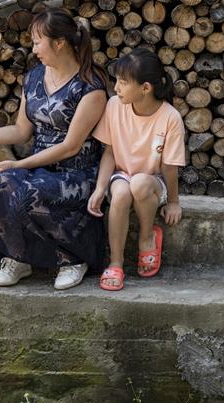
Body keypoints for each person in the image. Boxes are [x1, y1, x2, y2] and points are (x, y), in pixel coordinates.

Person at [0, 7, 108, 291]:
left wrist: (19, 165)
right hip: (39, 165)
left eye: (37, 41)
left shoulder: (90, 87)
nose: (33, 49)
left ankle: (70, 258)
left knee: (29, 188)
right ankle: (18, 256)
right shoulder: (32, 78)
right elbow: (21, 131)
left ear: (60, 43)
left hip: (76, 172)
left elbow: (71, 146)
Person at [87, 47, 185, 291]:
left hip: (153, 182)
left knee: (140, 183)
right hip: (122, 175)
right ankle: (116, 262)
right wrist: (101, 188)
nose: (116, 88)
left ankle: (146, 237)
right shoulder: (114, 106)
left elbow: (169, 167)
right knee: (120, 192)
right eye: (116, 81)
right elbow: (109, 152)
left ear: (145, 88)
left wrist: (173, 201)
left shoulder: (170, 117)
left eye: (123, 83)